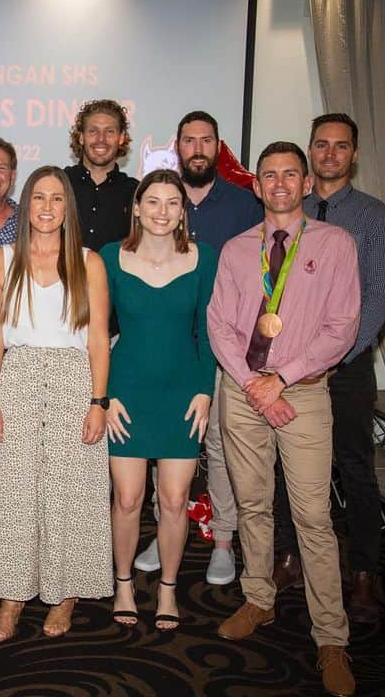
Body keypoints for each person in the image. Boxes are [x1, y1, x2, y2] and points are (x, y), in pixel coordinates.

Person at [207, 142, 359, 697]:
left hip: (304, 395)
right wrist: (254, 384)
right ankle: (259, 599)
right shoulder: (236, 249)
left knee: (313, 516)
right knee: (250, 503)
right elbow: (220, 323)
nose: (278, 184)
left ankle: (330, 638)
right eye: (268, 175)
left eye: (289, 175)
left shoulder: (335, 244)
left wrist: (283, 376)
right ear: (256, 185)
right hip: (243, 392)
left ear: (304, 182)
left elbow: (342, 327)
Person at [272, 113, 385, 625]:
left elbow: (379, 298)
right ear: (309, 152)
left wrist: (332, 359)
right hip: (290, 371)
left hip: (343, 368)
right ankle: (288, 558)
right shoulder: (285, 211)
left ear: (354, 154)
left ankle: (364, 573)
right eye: (321, 145)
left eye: (339, 147)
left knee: (353, 468)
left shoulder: (374, 217)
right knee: (289, 467)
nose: (329, 154)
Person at [0, 166, 112, 641]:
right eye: (38, 198)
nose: (47, 208)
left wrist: (98, 401)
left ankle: (65, 594)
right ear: (26, 204)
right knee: (14, 493)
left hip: (75, 382)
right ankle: (12, 599)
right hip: (18, 378)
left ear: (66, 208)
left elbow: (98, 340)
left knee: (70, 492)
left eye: (56, 199)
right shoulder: (1, 259)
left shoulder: (88, 262)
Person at [134, 110, 261, 587]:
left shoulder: (244, 204)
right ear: (179, 146)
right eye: (189, 141)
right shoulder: (160, 199)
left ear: (218, 145)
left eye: (206, 140)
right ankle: (165, 528)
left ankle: (224, 540)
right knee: (161, 444)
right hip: (165, 349)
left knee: (220, 446)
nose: (198, 148)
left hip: (224, 348)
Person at [102, 170, 217, 630]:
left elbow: (207, 333)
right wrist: (104, 395)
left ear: (182, 212)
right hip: (126, 392)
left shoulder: (203, 258)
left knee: (174, 499)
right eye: (153, 202)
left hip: (182, 394)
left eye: (172, 203)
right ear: (136, 206)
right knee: (128, 499)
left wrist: (206, 391)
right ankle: (124, 583)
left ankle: (168, 589)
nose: (162, 212)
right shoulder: (110, 257)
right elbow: (94, 332)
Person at [64, 99, 138, 251]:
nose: (101, 139)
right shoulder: (60, 182)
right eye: (93, 131)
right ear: (81, 137)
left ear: (121, 138)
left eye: (109, 131)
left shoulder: (135, 191)